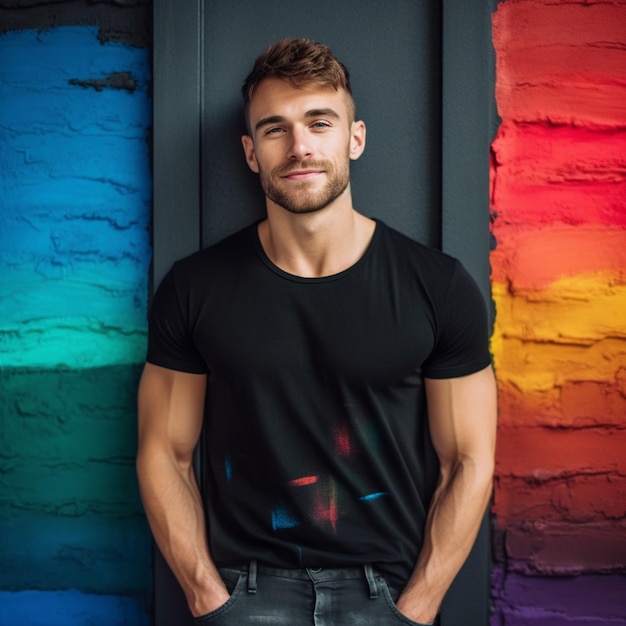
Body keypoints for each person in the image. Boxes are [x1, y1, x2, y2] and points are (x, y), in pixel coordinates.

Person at [136, 38, 497, 626]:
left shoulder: (438, 287)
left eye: (319, 123)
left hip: (388, 592)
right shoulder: (194, 289)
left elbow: (469, 460)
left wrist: (419, 607)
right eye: (275, 129)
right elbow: (164, 453)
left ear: (354, 138)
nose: (300, 147)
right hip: (245, 593)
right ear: (251, 153)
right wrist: (207, 599)